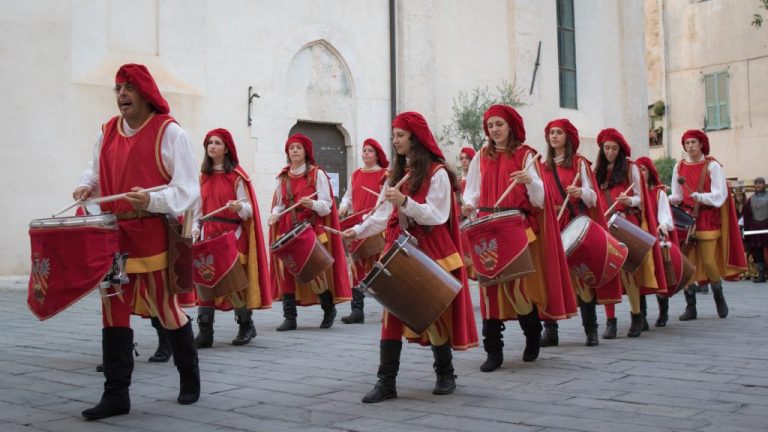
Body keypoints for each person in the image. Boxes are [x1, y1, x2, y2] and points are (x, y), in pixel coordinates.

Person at [72, 64, 200, 420]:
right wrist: (87, 186)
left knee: (165, 306)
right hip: (112, 233)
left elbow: (187, 190)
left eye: (128, 88)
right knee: (112, 308)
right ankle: (116, 395)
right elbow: (95, 171)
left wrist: (153, 201)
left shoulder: (170, 133)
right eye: (117, 89)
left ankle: (190, 378)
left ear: (145, 92)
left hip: (151, 233)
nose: (122, 95)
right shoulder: (107, 131)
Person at [343, 111, 478, 402]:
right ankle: (386, 381)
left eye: (400, 135)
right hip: (398, 250)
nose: (395, 141)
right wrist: (358, 231)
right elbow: (383, 215)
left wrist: (405, 201)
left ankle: (445, 373)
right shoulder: (396, 173)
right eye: (394, 136)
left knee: (434, 316)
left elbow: (436, 215)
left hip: (431, 250)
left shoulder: (438, 172)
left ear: (415, 138)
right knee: (391, 316)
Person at [461, 105, 577, 372]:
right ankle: (493, 349)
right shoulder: (481, 155)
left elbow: (539, 199)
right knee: (489, 288)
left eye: (499, 124)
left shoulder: (527, 156)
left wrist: (529, 181)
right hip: (487, 226)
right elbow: (472, 192)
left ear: (510, 126)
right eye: (490, 125)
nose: (494, 130)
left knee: (516, 288)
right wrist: (468, 205)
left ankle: (532, 331)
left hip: (515, 226)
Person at [540, 119, 622, 347]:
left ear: (568, 137)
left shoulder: (579, 164)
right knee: (551, 277)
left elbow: (593, 197)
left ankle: (591, 329)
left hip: (575, 221)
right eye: (551, 133)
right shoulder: (541, 166)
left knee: (582, 276)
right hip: (553, 225)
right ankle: (550, 330)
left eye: (558, 133)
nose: (554, 136)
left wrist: (580, 192)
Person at [191, 128, 273, 347]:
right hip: (208, 233)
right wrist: (195, 228)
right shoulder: (203, 177)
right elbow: (198, 208)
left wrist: (239, 207)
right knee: (205, 280)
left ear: (226, 148)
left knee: (233, 282)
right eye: (209, 143)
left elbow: (248, 210)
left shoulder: (237, 176)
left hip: (231, 235)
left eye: (217, 143)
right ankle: (205, 332)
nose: (212, 146)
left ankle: (246, 325)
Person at [268, 133, 352, 330]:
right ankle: (290, 317)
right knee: (287, 271)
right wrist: (274, 214)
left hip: (309, 228)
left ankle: (328, 307)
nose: (294, 151)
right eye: (291, 148)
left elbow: (327, 206)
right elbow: (280, 205)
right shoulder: (283, 176)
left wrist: (312, 203)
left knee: (315, 272)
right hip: (288, 228)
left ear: (306, 151)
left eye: (298, 147)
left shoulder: (317, 174)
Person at [595, 128, 667, 338]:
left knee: (628, 273)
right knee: (607, 273)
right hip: (604, 224)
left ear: (620, 150)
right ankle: (610, 321)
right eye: (606, 148)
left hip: (625, 222)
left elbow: (641, 198)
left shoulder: (631, 168)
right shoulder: (595, 170)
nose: (610, 152)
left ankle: (636, 315)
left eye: (614, 148)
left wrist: (629, 201)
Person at [669, 130, 747, 320]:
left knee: (709, 260)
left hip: (706, 217)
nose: (690, 146)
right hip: (685, 220)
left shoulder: (712, 166)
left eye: (693, 142)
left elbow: (720, 195)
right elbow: (678, 195)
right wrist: (666, 198)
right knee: (686, 261)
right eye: (687, 143)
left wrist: (701, 197)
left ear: (702, 144)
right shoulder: (679, 166)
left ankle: (719, 297)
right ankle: (690, 306)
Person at [337, 138, 389, 324]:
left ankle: (389, 310)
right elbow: (348, 196)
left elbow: (384, 203)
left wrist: (373, 215)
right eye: (364, 150)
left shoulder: (385, 175)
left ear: (377, 155)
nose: (366, 153)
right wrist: (343, 207)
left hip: (376, 225)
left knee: (380, 268)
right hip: (358, 225)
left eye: (370, 151)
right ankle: (357, 310)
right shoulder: (356, 174)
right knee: (356, 267)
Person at [635, 156, 678, 327]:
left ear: (650, 172)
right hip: (638, 238)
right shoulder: (632, 193)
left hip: (655, 237)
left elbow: (665, 217)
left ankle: (663, 312)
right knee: (639, 276)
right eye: (637, 170)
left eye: (643, 169)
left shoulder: (658, 192)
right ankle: (642, 316)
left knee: (659, 275)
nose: (639, 173)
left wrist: (661, 226)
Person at [744, 177, 768, 283]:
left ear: (764, 185)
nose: (758, 185)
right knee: (757, 252)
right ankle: (761, 275)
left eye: (760, 183)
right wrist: (746, 231)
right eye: (756, 183)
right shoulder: (751, 199)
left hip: (767, 225)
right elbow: (747, 216)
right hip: (755, 227)